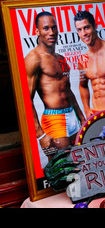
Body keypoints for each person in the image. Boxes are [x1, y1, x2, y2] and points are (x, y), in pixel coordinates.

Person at [25, 11, 85, 156]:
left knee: (80, 162)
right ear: (37, 31)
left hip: (72, 117)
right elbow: (26, 99)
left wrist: (82, 118)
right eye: (46, 28)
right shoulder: (34, 58)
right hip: (53, 119)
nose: (51, 32)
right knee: (63, 168)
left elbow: (68, 91)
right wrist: (40, 135)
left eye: (54, 27)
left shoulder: (61, 58)